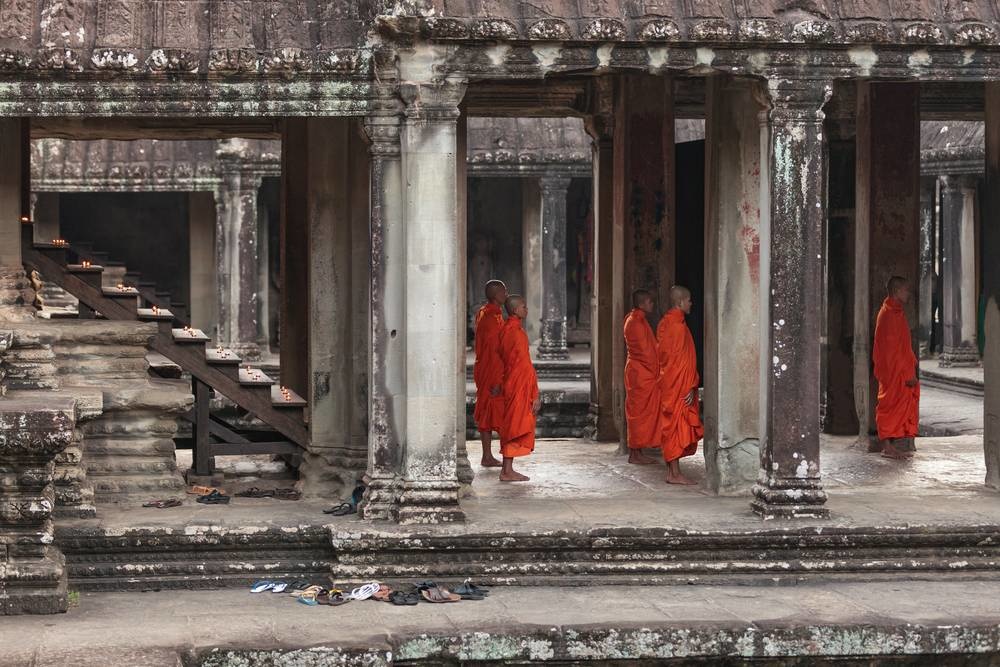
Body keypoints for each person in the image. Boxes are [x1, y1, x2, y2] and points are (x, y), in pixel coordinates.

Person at [656, 285, 702, 485]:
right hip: (679, 385)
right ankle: (675, 474)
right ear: (680, 302)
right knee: (676, 427)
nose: (691, 303)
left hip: (669, 383)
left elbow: (667, 359)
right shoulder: (678, 328)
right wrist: (689, 385)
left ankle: (672, 472)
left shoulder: (665, 323)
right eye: (689, 300)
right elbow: (681, 362)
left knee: (670, 426)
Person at [873, 276, 920, 460]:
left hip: (899, 369)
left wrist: (910, 367)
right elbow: (891, 351)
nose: (908, 294)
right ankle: (887, 446)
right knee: (888, 406)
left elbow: (903, 346)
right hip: (893, 372)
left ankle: (891, 446)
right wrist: (907, 373)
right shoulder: (887, 314)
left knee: (897, 405)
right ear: (897, 291)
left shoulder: (897, 312)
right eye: (905, 290)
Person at [498, 294, 539, 482]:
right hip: (519, 383)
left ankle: (507, 469)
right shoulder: (516, 332)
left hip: (511, 381)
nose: (526, 309)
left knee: (512, 424)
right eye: (524, 306)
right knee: (515, 425)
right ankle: (507, 470)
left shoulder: (505, 329)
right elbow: (525, 365)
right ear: (515, 310)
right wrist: (534, 393)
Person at [623, 289, 661, 465]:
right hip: (641, 373)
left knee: (637, 412)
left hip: (638, 371)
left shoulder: (635, 320)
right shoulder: (636, 323)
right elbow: (646, 353)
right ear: (641, 304)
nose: (652, 304)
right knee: (638, 413)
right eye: (649, 302)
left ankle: (637, 451)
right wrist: (659, 372)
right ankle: (634, 452)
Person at [472, 280, 507, 468]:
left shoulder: (487, 313)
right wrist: (497, 379)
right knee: (490, 411)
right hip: (491, 369)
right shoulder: (490, 317)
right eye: (503, 291)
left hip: (486, 367)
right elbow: (493, 349)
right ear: (495, 295)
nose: (506, 294)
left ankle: (488, 455)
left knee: (488, 410)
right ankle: (492, 456)